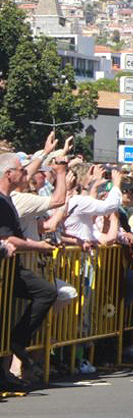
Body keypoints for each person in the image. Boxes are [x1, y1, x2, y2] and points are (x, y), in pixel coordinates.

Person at [0, 150, 60, 387]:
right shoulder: (2, 202)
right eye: (20, 170)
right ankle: (13, 350)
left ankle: (16, 344)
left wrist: (47, 153)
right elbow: (7, 238)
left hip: (12, 266)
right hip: (7, 265)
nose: (25, 174)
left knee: (46, 292)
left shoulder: (9, 197)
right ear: (8, 174)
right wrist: (37, 245)